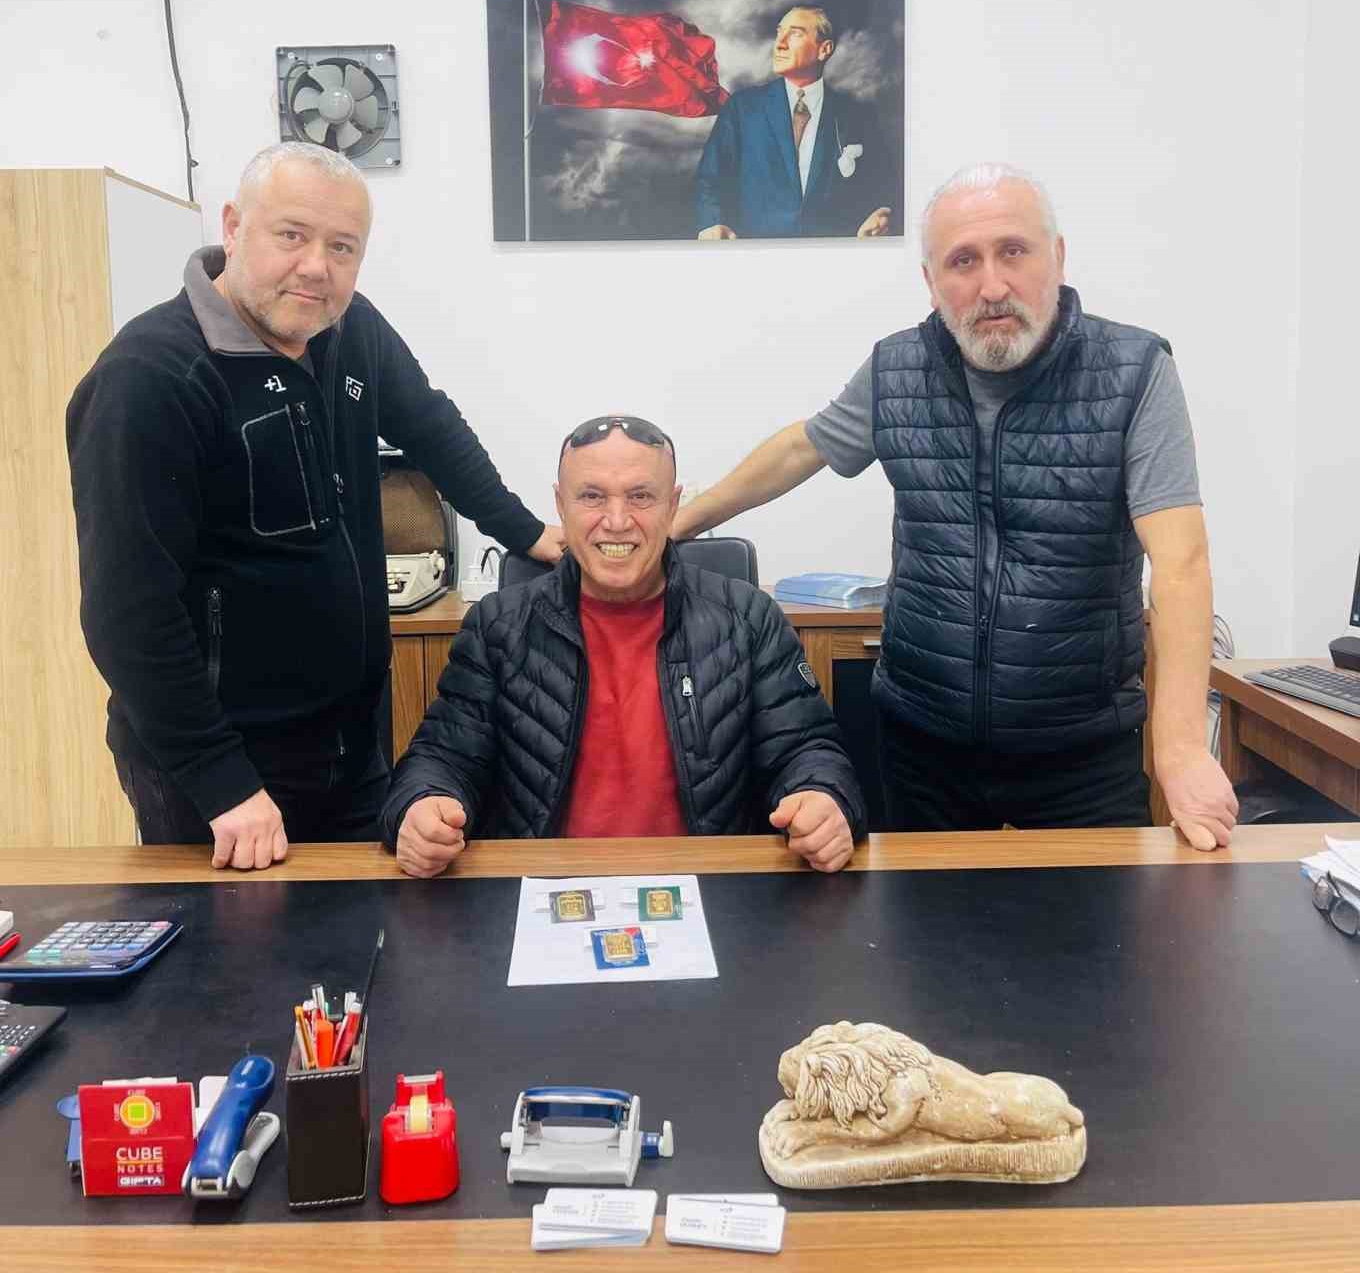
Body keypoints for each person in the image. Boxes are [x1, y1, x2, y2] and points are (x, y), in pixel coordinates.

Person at [673, 163, 1239, 851]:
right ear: (931, 280)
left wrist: (1181, 749)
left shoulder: (1136, 371)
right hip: (921, 746)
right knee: (918, 923)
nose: (992, 286)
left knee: (1099, 924)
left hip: (1082, 754)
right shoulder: (897, 368)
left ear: (1057, 257)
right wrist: (677, 523)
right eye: (963, 261)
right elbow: (804, 447)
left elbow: (1181, 565)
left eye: (1013, 251)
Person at [67, 142, 562, 870]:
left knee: (366, 932)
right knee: (238, 945)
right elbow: (128, 612)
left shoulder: (350, 328)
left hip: (353, 744)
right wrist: (223, 782)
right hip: (222, 772)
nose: (315, 267)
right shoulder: (150, 378)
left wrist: (525, 531)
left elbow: (432, 428)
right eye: (291, 235)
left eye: (342, 247)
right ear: (233, 227)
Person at [383, 414, 866, 876]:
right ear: (561, 505)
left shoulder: (748, 619)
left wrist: (823, 796)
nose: (616, 521)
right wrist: (423, 803)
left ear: (672, 505)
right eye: (592, 496)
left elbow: (807, 748)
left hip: (711, 889)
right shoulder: (498, 627)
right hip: (544, 891)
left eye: (641, 496)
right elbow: (442, 757)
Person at [695, 5, 893, 240]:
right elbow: (709, 180)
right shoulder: (742, 108)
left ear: (824, 49)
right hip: (757, 252)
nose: (779, 43)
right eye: (779, 32)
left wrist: (881, 214)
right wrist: (712, 223)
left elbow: (884, 185)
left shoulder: (857, 114)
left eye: (795, 34)